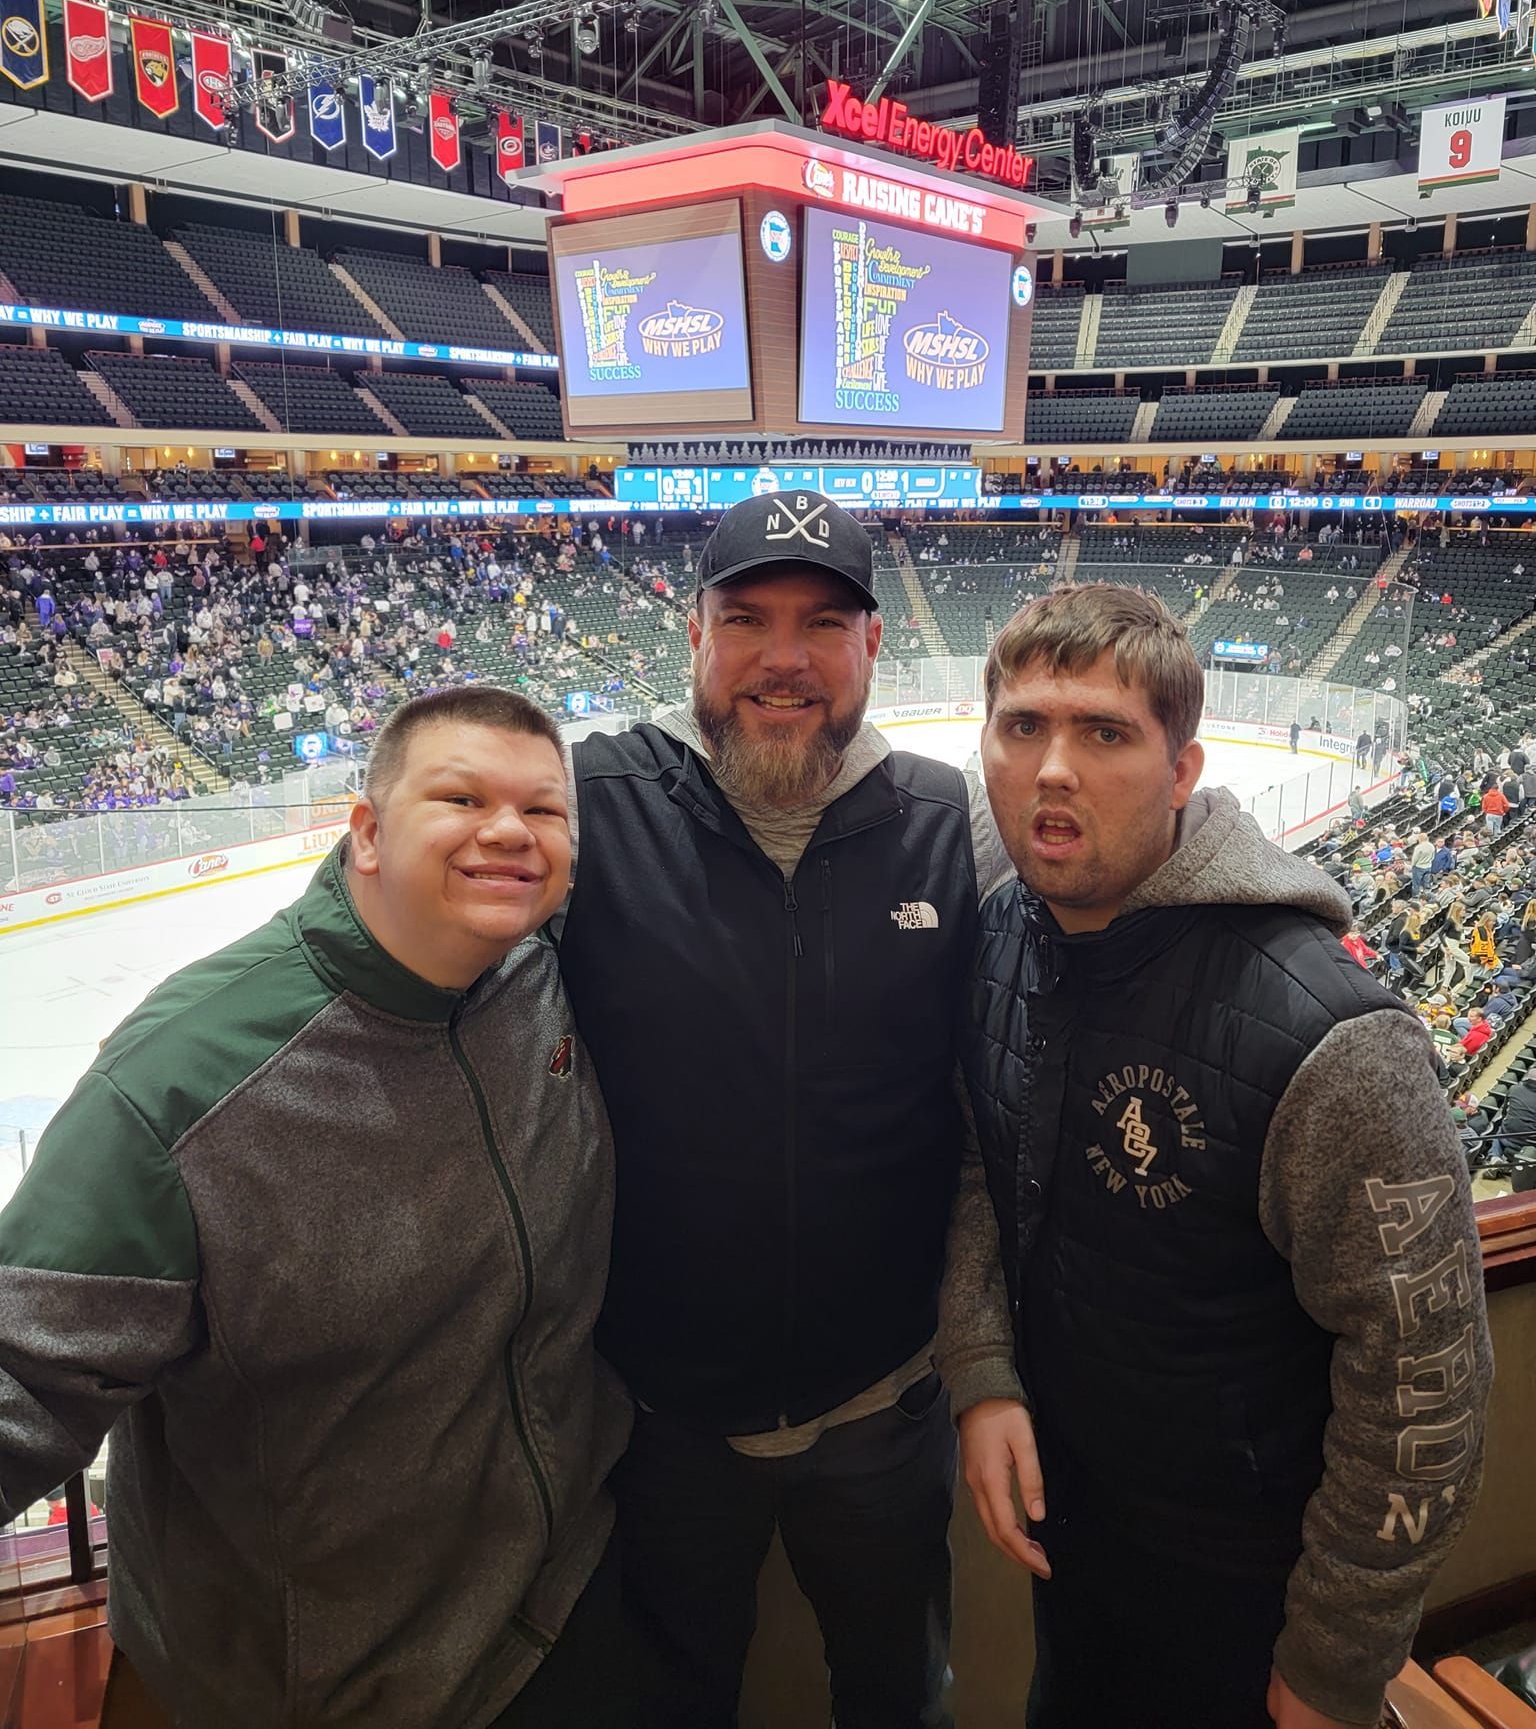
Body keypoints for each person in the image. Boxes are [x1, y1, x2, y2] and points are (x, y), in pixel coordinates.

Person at [0, 689, 633, 1729]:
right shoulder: (184, 1079)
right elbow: (22, 1377)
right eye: (462, 795)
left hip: (560, 1612)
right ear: (369, 831)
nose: (510, 829)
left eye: (545, 809)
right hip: (314, 1689)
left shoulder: (538, 973)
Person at [948, 583, 1490, 1729]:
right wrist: (983, 1369)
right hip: (1080, 1548)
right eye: (1023, 725)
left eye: (1104, 732)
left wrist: (1335, 1656)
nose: (1053, 767)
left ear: (1182, 769)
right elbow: (981, 1170)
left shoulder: (1335, 1036)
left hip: (1256, 1597)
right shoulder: (999, 934)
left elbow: (1423, 1378)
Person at [556, 491, 1009, 1729]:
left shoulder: (947, 821)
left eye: (822, 622)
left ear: (873, 646)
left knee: (899, 1695)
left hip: (888, 1404)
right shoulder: (588, 801)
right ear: (692, 632)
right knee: (673, 1696)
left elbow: (1099, 916)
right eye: (746, 617)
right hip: (658, 1420)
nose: (784, 657)